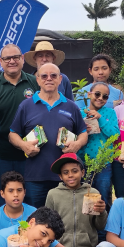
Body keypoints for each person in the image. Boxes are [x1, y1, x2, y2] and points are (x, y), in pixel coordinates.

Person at [9, 63, 88, 207]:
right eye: (44, 76)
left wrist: (77, 144)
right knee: (37, 217)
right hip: (35, 176)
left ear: (60, 79)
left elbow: (83, 133)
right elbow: (13, 134)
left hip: (65, 175)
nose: (49, 79)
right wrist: (24, 145)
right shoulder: (26, 106)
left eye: (53, 76)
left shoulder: (71, 106)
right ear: (37, 79)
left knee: (63, 219)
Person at [45, 154, 108, 247]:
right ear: (60, 176)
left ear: (82, 172)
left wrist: (101, 212)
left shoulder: (92, 193)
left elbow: (100, 225)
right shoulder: (53, 195)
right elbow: (48, 224)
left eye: (74, 171)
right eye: (65, 173)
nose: (70, 175)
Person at [0, 44, 39, 210]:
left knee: (29, 197)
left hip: (31, 155)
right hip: (1, 154)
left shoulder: (35, 83)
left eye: (15, 57)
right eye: (7, 58)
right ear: (0, 62)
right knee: (0, 198)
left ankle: (29, 234)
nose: (12, 61)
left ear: (22, 59)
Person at [78, 81, 120, 210]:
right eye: (97, 94)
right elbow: (73, 136)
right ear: (89, 94)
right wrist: (82, 129)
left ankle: (103, 229)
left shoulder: (110, 113)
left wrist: (100, 119)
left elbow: (115, 134)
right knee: (84, 197)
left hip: (103, 163)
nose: (100, 98)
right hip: (84, 162)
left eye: (105, 96)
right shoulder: (80, 112)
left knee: (103, 197)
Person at [0, 171, 37, 247]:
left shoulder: (34, 213)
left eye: (19, 190)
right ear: (2, 193)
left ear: (24, 192)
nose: (15, 194)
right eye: (10, 191)